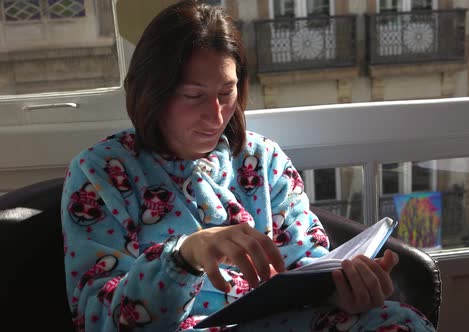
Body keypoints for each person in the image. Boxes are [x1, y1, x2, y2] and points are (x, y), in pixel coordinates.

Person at [60, 1, 436, 331]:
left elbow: (309, 260)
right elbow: (99, 320)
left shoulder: (262, 159)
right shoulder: (103, 173)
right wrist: (184, 256)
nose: (216, 114)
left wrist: (345, 293)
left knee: (400, 321)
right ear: (151, 92)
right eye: (194, 96)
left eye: (227, 92)